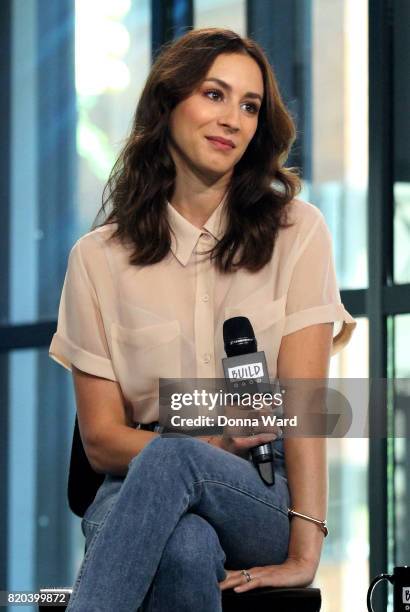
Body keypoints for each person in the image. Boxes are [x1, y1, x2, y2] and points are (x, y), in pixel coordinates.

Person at [49, 27, 356, 612]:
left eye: (249, 106)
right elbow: (100, 441)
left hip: (257, 493)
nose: (234, 120)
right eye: (215, 95)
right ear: (169, 105)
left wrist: (305, 549)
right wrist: (205, 438)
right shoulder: (96, 259)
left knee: (172, 454)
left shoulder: (298, 231)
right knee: (185, 547)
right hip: (129, 493)